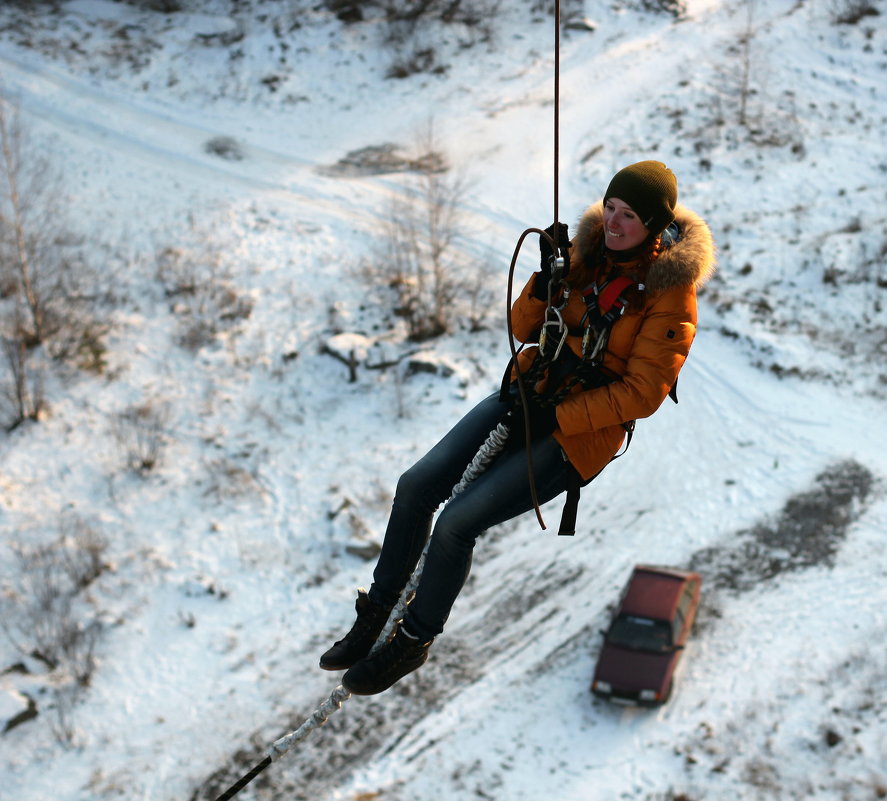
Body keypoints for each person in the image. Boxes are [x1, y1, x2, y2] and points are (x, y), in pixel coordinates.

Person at [319, 160, 716, 695]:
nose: (614, 224)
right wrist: (545, 280)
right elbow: (521, 327)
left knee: (458, 522)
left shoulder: (670, 292)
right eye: (611, 209)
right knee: (416, 486)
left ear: (656, 226)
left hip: (578, 432)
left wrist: (562, 416)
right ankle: (376, 614)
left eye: (629, 217)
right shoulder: (585, 253)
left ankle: (411, 642)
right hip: (530, 393)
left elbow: (642, 394)